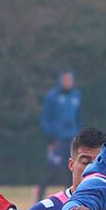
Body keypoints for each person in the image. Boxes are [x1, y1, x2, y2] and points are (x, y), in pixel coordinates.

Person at [36, 70, 81, 202]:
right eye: (66, 80)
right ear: (61, 80)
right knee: (52, 169)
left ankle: (70, 199)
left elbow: (78, 117)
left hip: (71, 140)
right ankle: (39, 195)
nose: (68, 83)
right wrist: (51, 137)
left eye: (70, 80)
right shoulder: (52, 96)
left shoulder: (76, 96)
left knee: (71, 170)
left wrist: (77, 135)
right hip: (57, 140)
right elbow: (45, 118)